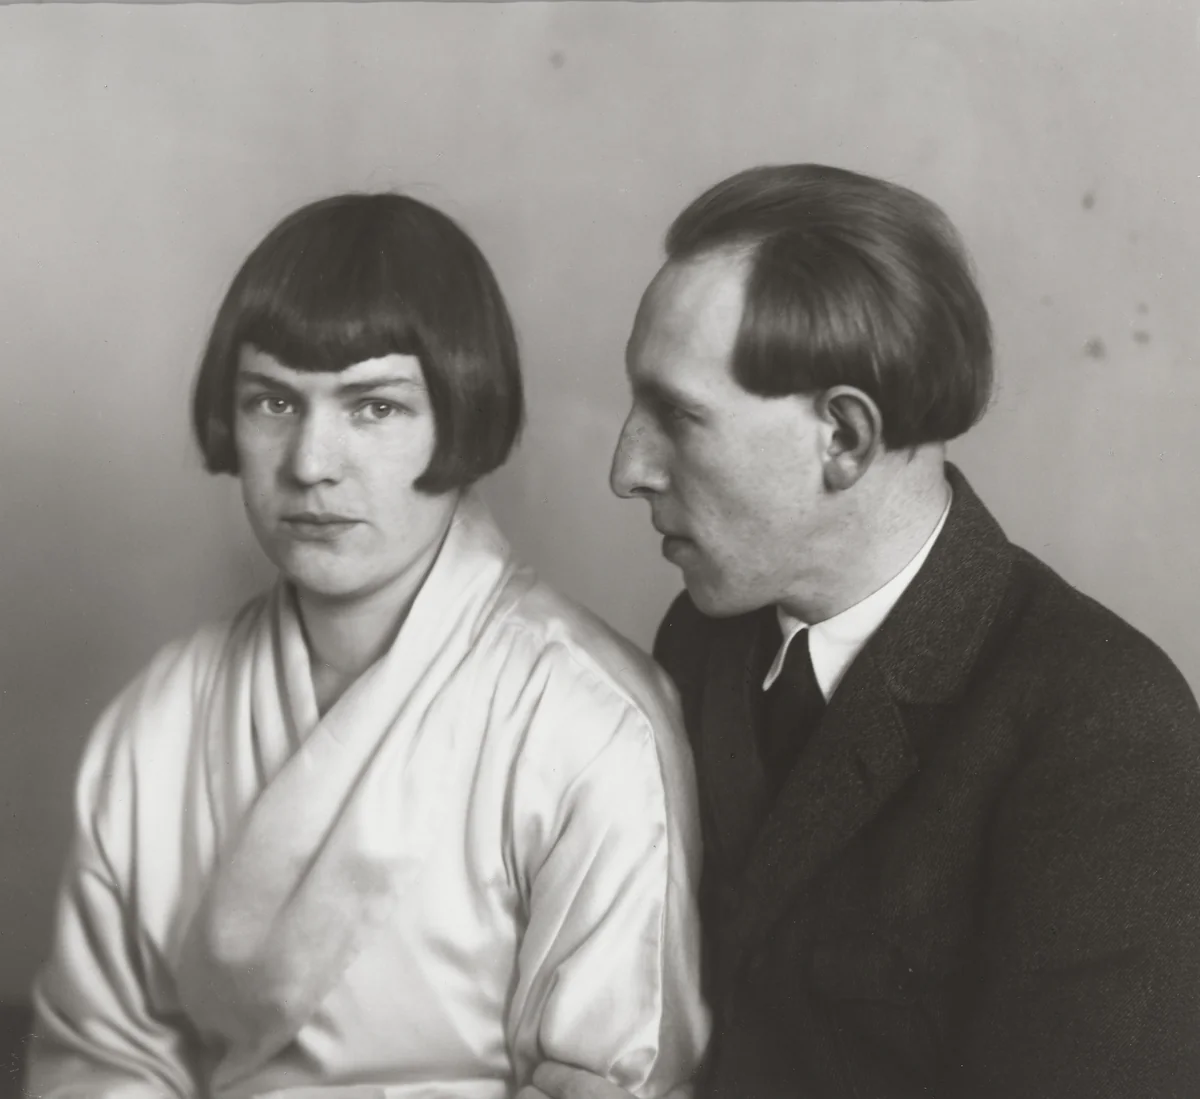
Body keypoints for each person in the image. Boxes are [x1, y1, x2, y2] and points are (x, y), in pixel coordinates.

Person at [525, 164, 1200, 1099]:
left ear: (843, 436)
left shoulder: (1107, 730)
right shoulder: (703, 637)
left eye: (678, 416)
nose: (627, 466)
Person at [26, 193, 708, 1099]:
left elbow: (609, 1077)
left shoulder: (585, 715)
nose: (311, 461)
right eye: (272, 401)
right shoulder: (167, 709)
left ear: (460, 414)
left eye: (374, 408)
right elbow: (101, 1054)